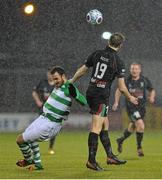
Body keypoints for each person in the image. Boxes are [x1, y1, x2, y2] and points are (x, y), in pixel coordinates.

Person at [70, 33, 138, 171]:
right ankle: (91, 161)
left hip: (92, 92)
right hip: (100, 96)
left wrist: (71, 81)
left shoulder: (97, 54)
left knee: (104, 123)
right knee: (96, 126)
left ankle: (110, 156)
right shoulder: (118, 61)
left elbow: (83, 70)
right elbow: (121, 87)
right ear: (120, 46)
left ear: (108, 41)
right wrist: (130, 97)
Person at [16, 66, 87, 170]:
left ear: (63, 76)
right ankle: (38, 164)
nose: (54, 81)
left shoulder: (68, 88)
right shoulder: (58, 86)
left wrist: (74, 91)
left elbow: (83, 101)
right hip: (43, 118)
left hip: (51, 123)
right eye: (53, 79)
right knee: (30, 139)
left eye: (56, 79)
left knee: (20, 140)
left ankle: (29, 160)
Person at [112, 62, 155, 156]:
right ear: (130, 70)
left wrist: (152, 97)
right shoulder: (127, 81)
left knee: (133, 127)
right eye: (132, 69)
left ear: (139, 70)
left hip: (142, 108)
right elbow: (119, 90)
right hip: (131, 108)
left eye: (136, 69)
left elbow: (152, 89)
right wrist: (116, 102)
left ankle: (120, 140)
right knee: (141, 125)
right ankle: (139, 148)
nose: (134, 70)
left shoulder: (144, 80)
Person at [32, 69, 56, 155]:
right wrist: (38, 101)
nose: (49, 75)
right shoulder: (43, 83)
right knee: (38, 128)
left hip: (54, 111)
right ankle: (34, 147)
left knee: (53, 129)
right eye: (48, 73)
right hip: (43, 110)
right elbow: (34, 92)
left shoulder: (58, 84)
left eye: (51, 73)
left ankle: (51, 147)